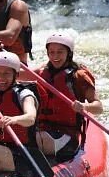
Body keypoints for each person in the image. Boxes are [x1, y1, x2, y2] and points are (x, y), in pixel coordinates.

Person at [32, 32, 103, 162]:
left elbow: (98, 107)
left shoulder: (79, 76)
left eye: (60, 52)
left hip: (67, 137)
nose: (55, 56)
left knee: (29, 140)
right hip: (43, 130)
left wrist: (84, 106)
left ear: (69, 53)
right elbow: (16, 75)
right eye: (52, 52)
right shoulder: (42, 72)